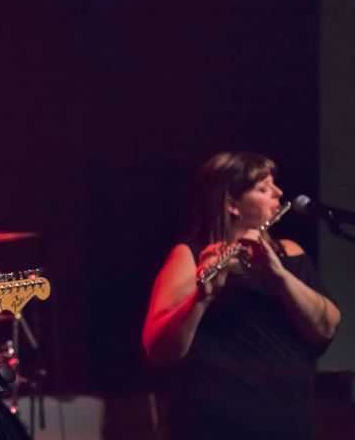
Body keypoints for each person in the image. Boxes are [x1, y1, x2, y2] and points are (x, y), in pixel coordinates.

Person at [142, 152, 341, 440]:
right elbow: (159, 350)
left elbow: (326, 328)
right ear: (232, 205)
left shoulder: (289, 252)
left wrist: (279, 276)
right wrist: (200, 299)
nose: (279, 193)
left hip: (289, 421)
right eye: (263, 188)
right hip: (212, 425)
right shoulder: (190, 256)